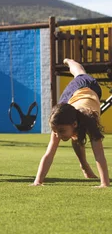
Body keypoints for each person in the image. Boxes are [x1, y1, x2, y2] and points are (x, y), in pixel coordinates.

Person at [32, 59, 109, 188]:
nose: (58, 135)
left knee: (80, 73)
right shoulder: (60, 123)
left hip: (89, 87)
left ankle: (69, 61)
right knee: (78, 72)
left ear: (74, 124)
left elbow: (99, 154)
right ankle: (84, 165)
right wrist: (38, 181)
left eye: (61, 131)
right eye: (56, 131)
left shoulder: (91, 120)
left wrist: (104, 183)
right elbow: (49, 154)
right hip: (71, 98)